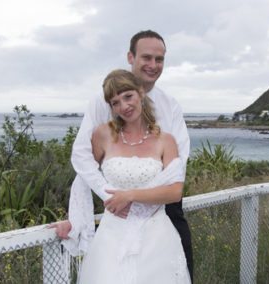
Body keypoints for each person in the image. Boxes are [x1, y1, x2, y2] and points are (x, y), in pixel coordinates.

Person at [50, 30, 193, 282]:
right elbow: (83, 161)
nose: (153, 65)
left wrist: (133, 198)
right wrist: (82, 214)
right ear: (131, 57)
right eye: (146, 57)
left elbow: (178, 167)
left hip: (163, 215)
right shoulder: (101, 103)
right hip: (114, 216)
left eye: (159, 59)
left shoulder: (171, 106)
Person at [80, 69, 191, 283]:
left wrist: (129, 195)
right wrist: (74, 220)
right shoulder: (102, 135)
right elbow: (84, 177)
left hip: (156, 238)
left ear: (140, 93)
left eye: (128, 96)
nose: (124, 106)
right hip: (111, 237)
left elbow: (175, 192)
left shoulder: (166, 140)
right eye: (115, 102)